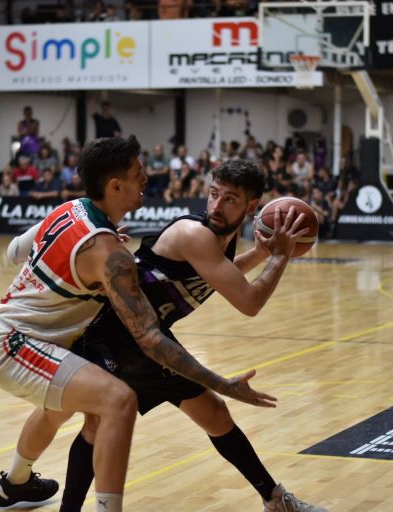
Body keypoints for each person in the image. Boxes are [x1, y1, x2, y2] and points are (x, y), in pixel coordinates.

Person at [0, 136, 276, 512]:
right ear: (116, 185)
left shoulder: (72, 210)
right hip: (16, 342)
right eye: (139, 174)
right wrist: (220, 382)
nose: (147, 179)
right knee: (116, 402)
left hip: (32, 334)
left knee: (64, 409)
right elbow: (150, 337)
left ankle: (15, 483)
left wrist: (82, 253)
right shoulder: (109, 251)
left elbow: (13, 252)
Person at [52, 159, 323, 512]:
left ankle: (274, 499)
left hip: (148, 337)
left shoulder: (220, 237)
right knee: (99, 424)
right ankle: (274, 500)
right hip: (119, 334)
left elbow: (217, 275)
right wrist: (280, 257)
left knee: (213, 414)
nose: (216, 205)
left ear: (250, 206)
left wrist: (260, 252)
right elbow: (249, 302)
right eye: (213, 194)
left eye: (229, 199)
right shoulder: (195, 233)